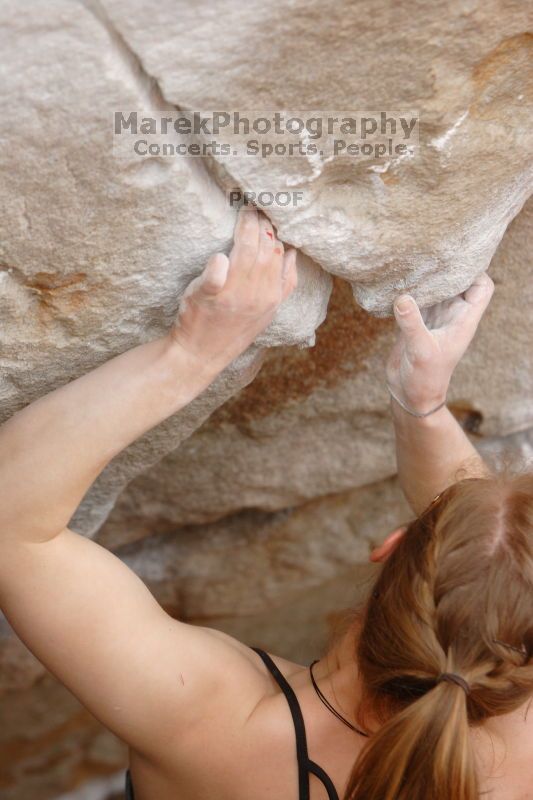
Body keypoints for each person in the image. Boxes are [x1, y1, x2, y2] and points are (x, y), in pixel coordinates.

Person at [0, 207, 531, 800]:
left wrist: (192, 353)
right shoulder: (515, 749)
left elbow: (12, 523)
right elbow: (487, 576)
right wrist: (422, 407)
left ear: (390, 546)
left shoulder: (212, 721)